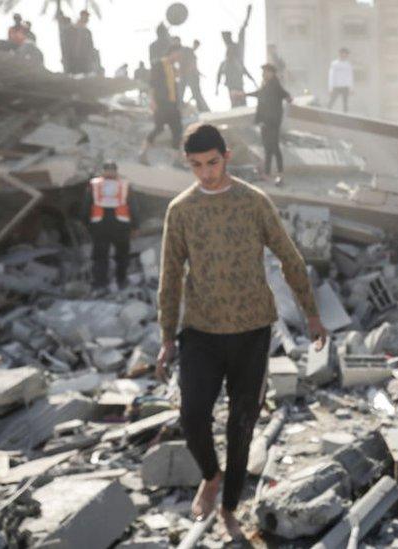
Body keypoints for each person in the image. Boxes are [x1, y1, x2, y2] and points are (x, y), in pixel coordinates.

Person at [156, 123, 327, 541]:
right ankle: (210, 477)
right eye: (196, 165)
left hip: (251, 329)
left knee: (242, 422)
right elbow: (170, 276)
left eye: (212, 163)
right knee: (193, 415)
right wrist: (165, 336)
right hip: (200, 331)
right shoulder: (181, 209)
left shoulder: (254, 202)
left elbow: (289, 257)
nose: (206, 173)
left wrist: (311, 314)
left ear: (226, 156)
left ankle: (230, 506)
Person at [82, 161, 138, 290]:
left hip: (100, 226)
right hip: (121, 226)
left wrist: (85, 223)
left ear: (103, 171)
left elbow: (86, 205)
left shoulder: (94, 185)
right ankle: (121, 281)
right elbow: (133, 206)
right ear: (116, 171)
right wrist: (135, 226)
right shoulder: (124, 185)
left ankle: (101, 283)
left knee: (101, 257)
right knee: (122, 256)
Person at [246, 64, 291, 184]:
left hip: (272, 122)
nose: (263, 74)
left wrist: (288, 97)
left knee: (274, 147)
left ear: (271, 73)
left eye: (265, 72)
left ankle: (278, 173)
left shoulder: (275, 85)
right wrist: (244, 95)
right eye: (263, 72)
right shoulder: (266, 85)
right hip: (265, 121)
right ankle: (267, 173)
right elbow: (259, 94)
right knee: (268, 148)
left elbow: (284, 93)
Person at [139, 45, 183, 161]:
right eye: (177, 54)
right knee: (159, 128)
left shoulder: (174, 68)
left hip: (172, 104)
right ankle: (143, 153)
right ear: (172, 52)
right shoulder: (158, 64)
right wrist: (152, 101)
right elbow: (152, 84)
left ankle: (175, 159)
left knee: (177, 130)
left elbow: (174, 87)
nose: (178, 57)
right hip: (161, 102)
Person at [178, 39, 209, 112]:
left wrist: (198, 73)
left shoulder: (190, 52)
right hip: (188, 75)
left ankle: (203, 109)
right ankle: (202, 109)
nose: (196, 47)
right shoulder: (187, 51)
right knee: (191, 93)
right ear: (194, 44)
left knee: (196, 93)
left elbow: (194, 66)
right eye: (196, 45)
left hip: (191, 75)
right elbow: (188, 64)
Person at [327, 48, 353, 112]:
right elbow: (331, 76)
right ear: (340, 54)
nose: (345, 55)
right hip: (336, 86)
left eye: (346, 54)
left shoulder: (348, 65)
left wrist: (351, 88)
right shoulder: (334, 64)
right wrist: (330, 88)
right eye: (343, 54)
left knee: (345, 103)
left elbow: (350, 77)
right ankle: (327, 112)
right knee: (331, 101)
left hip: (345, 87)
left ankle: (346, 116)